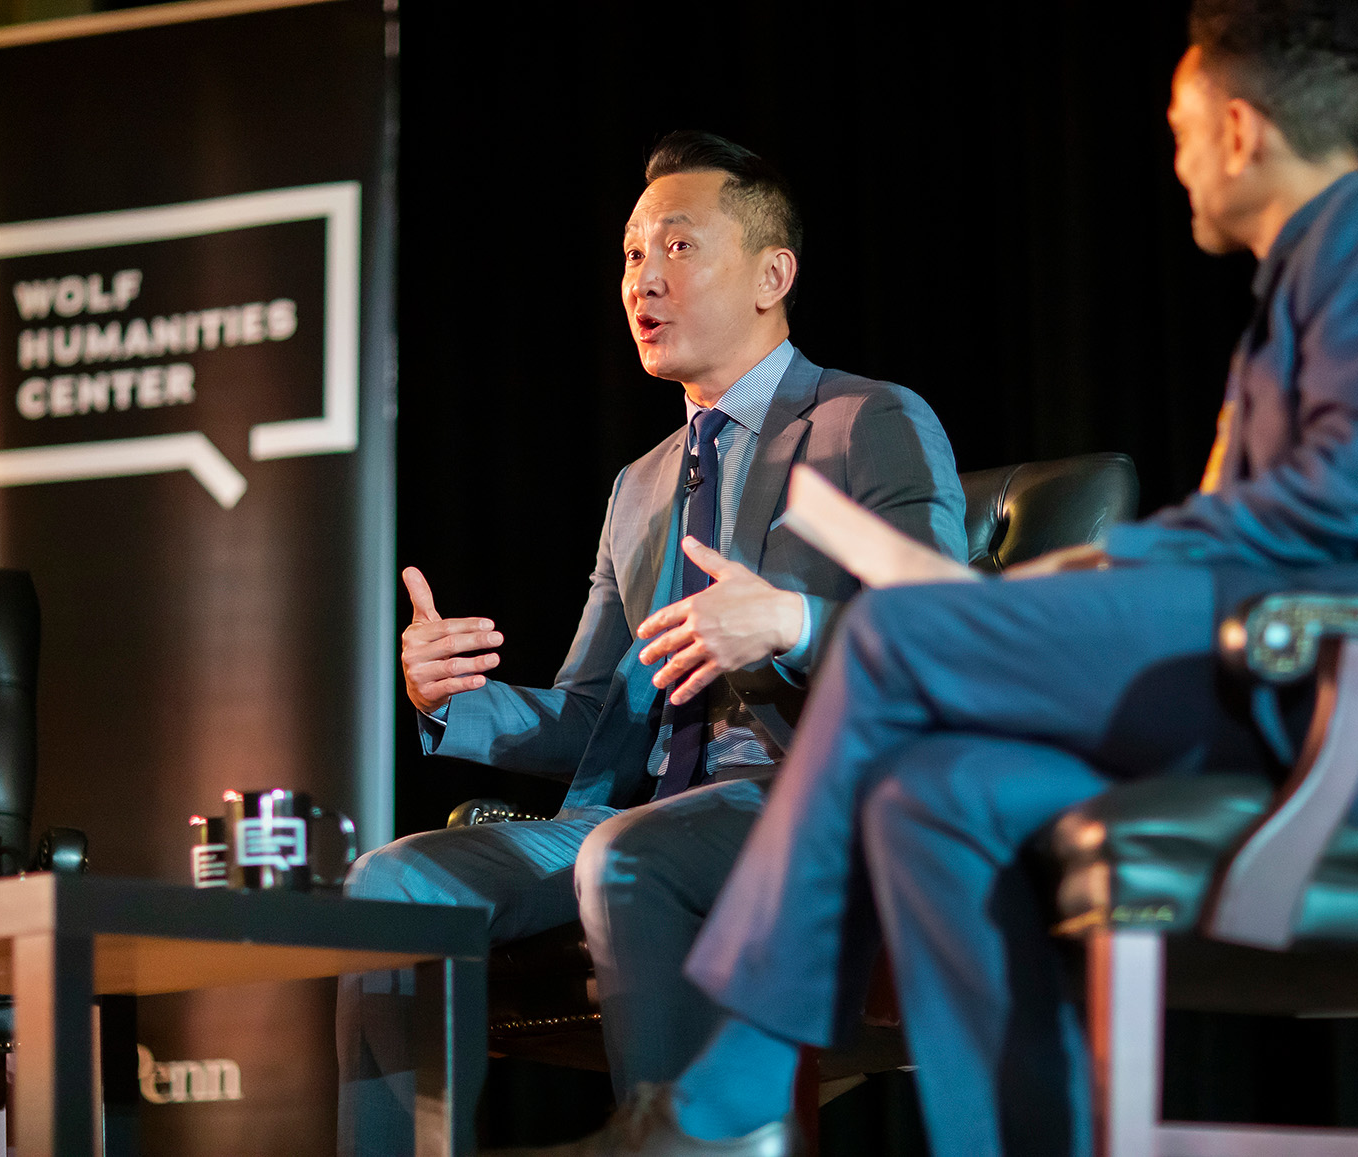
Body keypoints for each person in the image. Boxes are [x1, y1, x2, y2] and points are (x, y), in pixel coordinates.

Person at [508, 0, 1358, 1157]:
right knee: (931, 799)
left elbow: (1353, 498)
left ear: (1235, 131)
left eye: (1178, 131)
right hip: (1283, 688)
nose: (1176, 163)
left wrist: (1097, 571)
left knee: (895, 635)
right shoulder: (1314, 284)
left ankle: (719, 1098)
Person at [338, 132, 968, 1154]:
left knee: (627, 856)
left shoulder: (866, 421)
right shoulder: (639, 485)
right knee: (390, 881)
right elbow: (593, 716)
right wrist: (449, 698)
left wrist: (793, 623)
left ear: (771, 276)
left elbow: (945, 637)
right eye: (632, 254)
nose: (643, 278)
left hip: (813, 801)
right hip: (638, 816)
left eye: (677, 247)